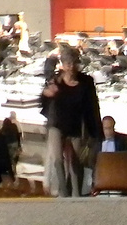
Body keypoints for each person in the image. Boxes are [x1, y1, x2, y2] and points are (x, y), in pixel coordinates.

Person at [40, 43, 103, 197]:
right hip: (57, 123)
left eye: (75, 63)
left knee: (76, 162)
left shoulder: (86, 82)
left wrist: (95, 132)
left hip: (75, 124)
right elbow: (44, 102)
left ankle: (76, 195)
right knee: (57, 159)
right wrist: (46, 94)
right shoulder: (56, 80)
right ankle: (64, 193)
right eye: (68, 63)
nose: (72, 67)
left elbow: (93, 107)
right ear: (62, 64)